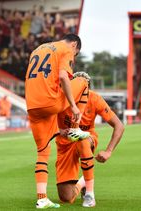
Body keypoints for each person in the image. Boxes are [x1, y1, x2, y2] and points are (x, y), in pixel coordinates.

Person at [25, 34, 90, 209]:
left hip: (32, 105)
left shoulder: (37, 50)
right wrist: (73, 106)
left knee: (42, 153)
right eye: (75, 53)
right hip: (50, 102)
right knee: (83, 79)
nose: (73, 56)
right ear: (74, 45)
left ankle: (42, 198)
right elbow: (63, 77)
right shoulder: (66, 49)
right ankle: (76, 128)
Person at [55, 72, 125, 208]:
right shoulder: (61, 98)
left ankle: (90, 194)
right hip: (64, 145)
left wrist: (108, 151)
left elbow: (119, 125)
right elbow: (45, 125)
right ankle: (83, 183)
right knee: (66, 198)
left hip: (88, 138)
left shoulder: (95, 99)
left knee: (82, 137)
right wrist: (60, 131)